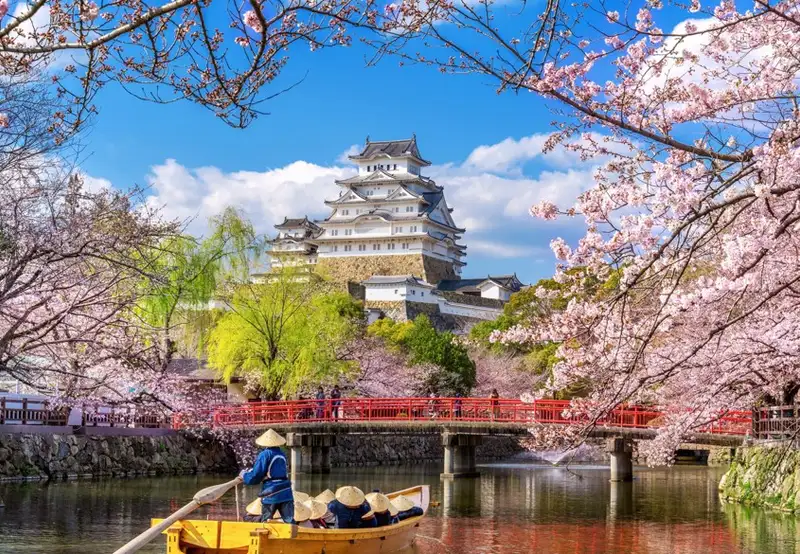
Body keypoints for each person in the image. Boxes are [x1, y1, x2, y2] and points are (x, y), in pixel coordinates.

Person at [238, 429, 294, 523]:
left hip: (271, 492)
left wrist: (245, 475)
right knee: (289, 521)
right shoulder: (282, 454)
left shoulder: (265, 454)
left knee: (266, 521)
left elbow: (256, 475)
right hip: (286, 491)